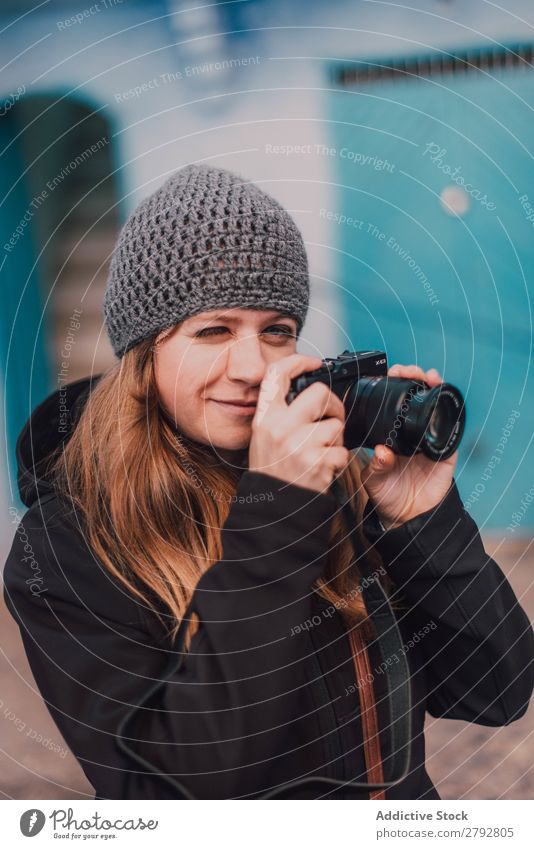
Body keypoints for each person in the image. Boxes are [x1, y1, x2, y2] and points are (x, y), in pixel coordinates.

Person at [3, 165, 533, 800]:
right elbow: (167, 798)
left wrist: (422, 523)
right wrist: (278, 514)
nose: (253, 367)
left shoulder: (338, 483)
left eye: (277, 331)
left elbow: (496, 692)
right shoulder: (64, 547)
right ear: (143, 353)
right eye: (214, 330)